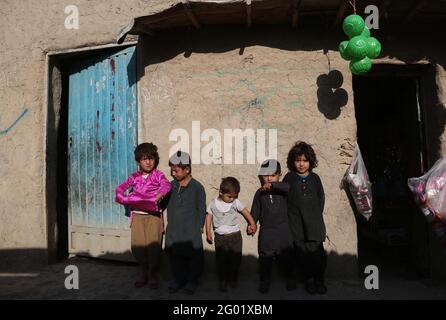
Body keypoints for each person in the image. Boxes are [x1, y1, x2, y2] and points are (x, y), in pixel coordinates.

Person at [115, 142, 171, 289]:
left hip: (153, 217)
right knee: (137, 246)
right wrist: (124, 199)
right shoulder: (134, 177)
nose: (148, 162)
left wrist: (159, 194)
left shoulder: (158, 175)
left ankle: (152, 274)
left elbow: (167, 185)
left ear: (155, 160)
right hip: (138, 217)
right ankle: (143, 272)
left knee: (153, 246)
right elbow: (120, 188)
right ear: (138, 161)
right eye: (144, 159)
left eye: (151, 158)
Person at [284, 141, 328, 295]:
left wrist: (314, 215)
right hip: (297, 226)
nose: (301, 164)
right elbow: (286, 201)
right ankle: (308, 280)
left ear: (310, 161)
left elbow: (321, 198)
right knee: (302, 256)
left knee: (318, 256)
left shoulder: (315, 179)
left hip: (314, 225)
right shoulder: (289, 178)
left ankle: (319, 281)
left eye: (305, 160)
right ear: (292, 161)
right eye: (298, 160)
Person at [251, 159, 296, 294]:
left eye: (273, 175)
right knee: (265, 258)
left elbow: (289, 188)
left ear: (279, 175)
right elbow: (255, 210)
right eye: (266, 175)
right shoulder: (260, 192)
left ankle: (290, 278)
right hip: (267, 231)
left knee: (287, 256)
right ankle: (265, 281)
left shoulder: (282, 190)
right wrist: (252, 224)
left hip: (284, 231)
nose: (269, 178)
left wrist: (273, 185)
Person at [164, 150, 206, 295]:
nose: (173, 173)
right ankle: (178, 280)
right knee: (175, 257)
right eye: (171, 170)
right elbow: (163, 203)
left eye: (176, 170)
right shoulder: (170, 186)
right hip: (174, 229)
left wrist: (200, 226)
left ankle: (192, 281)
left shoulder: (197, 187)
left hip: (191, 230)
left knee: (193, 258)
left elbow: (201, 208)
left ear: (187, 169)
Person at [205, 177, 257, 292]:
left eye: (235, 196)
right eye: (229, 196)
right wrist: (208, 232)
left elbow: (245, 212)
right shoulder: (213, 204)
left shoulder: (235, 202)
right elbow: (208, 217)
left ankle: (233, 278)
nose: (232, 199)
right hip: (220, 238)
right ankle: (223, 280)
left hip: (235, 237)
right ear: (221, 192)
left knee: (236, 259)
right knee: (221, 260)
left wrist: (252, 223)